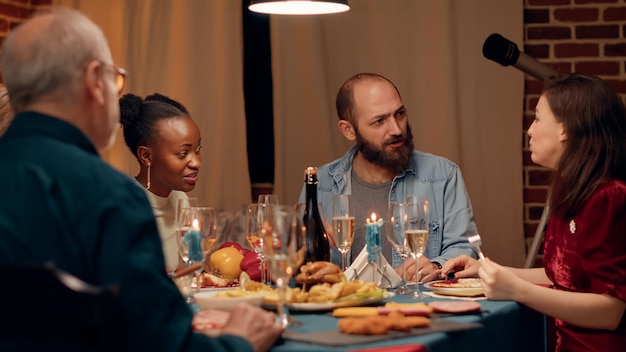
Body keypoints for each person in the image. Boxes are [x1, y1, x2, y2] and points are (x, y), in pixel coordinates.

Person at [0, 7, 282, 351]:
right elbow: (164, 343)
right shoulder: (108, 195)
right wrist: (239, 342)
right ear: (93, 80)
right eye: (115, 79)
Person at [442, 74, 626, 351]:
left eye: (538, 118)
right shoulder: (574, 193)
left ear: (565, 129)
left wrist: (518, 290)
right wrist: (489, 270)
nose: (529, 130)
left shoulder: (609, 197)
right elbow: (564, 275)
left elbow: (611, 311)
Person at [300, 72, 478, 282]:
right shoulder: (320, 184)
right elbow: (298, 263)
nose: (396, 129)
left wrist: (437, 267)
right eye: (379, 121)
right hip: (343, 310)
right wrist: (306, 249)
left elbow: (466, 249)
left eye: (400, 114)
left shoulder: (443, 175)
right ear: (349, 130)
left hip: (417, 309)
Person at [120, 93, 201, 272]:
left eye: (197, 150)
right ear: (146, 156)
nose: (196, 162)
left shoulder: (180, 199)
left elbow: (192, 267)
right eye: (183, 153)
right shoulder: (125, 207)